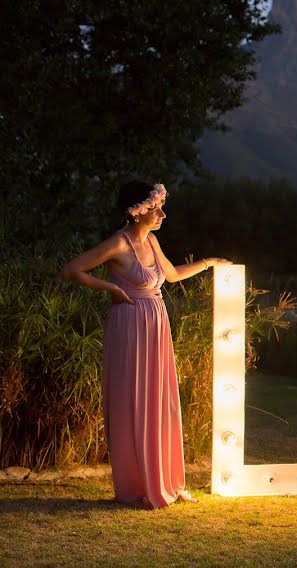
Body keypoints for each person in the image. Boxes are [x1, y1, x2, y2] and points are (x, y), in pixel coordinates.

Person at [61, 181, 230, 509]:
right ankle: (137, 484)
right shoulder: (118, 244)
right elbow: (73, 270)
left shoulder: (151, 240)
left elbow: (173, 275)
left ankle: (164, 479)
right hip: (128, 326)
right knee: (133, 400)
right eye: (155, 210)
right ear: (136, 212)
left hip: (156, 323)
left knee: (159, 398)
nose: (162, 215)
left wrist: (208, 262)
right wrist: (109, 287)